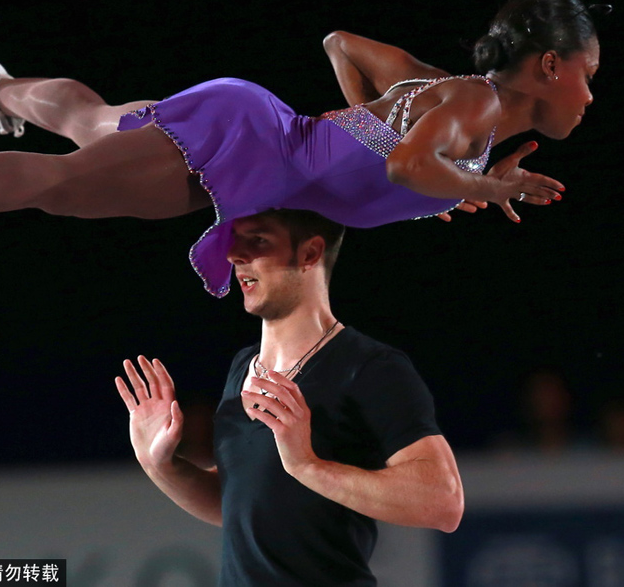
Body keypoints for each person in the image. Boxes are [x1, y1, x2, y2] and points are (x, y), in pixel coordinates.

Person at [0, 0, 604, 300]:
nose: (591, 96)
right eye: (587, 75)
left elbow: (342, 45)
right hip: (251, 148)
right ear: (547, 66)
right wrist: (473, 185)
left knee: (94, 126)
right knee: (65, 183)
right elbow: (401, 159)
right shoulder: (472, 103)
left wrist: (375, 141)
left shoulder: (452, 109)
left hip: (249, 136)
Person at [115, 208, 463, 586]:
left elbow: (443, 502)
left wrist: (307, 465)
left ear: (310, 253)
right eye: (236, 240)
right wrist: (160, 466)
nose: (235, 255)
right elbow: (238, 505)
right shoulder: (243, 367)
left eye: (259, 240)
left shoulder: (370, 367)